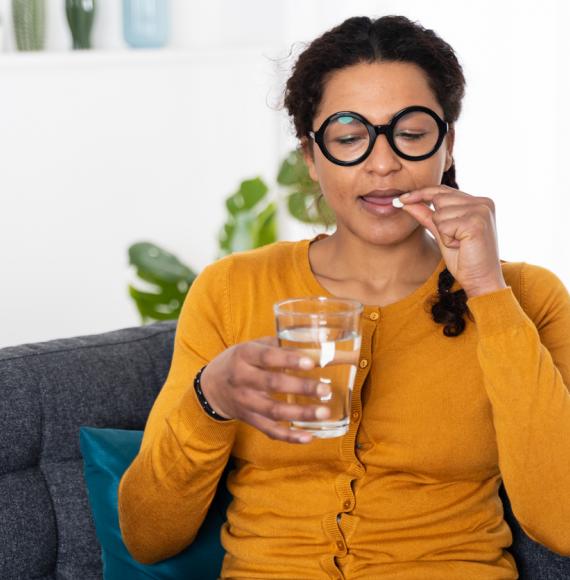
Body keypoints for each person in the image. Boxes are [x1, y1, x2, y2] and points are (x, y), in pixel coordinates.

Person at [118, 15, 570, 579]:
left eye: (410, 133)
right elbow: (147, 537)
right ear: (311, 156)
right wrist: (210, 399)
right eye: (350, 137)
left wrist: (486, 291)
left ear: (447, 145)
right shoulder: (233, 289)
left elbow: (562, 523)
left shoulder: (529, 295)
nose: (383, 164)